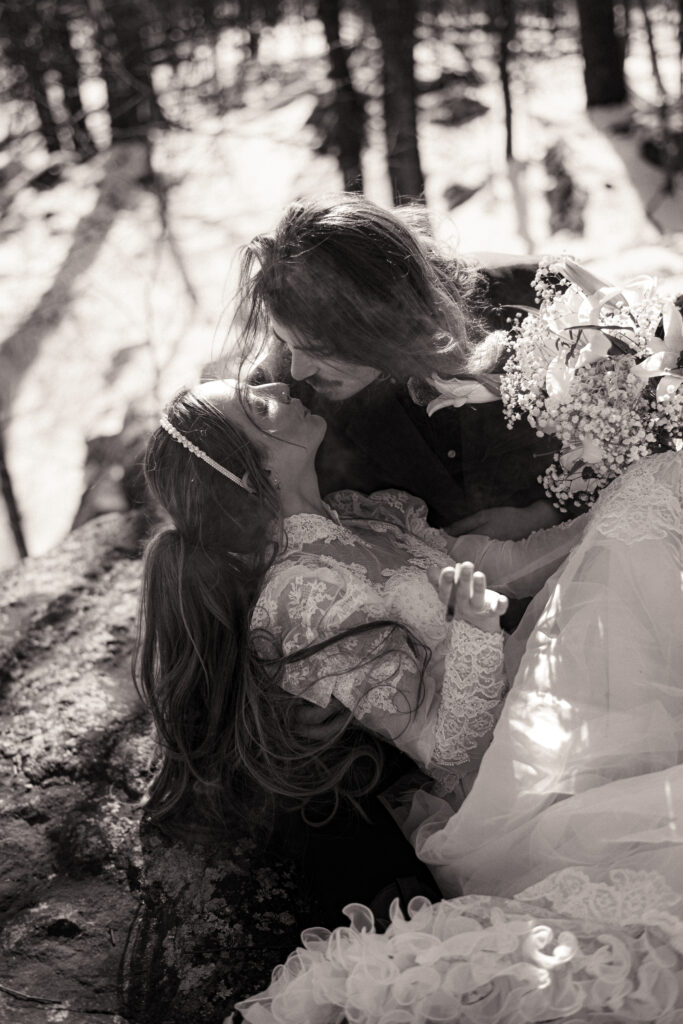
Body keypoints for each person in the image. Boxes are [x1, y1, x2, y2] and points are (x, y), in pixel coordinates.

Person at [135, 376, 593, 931]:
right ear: (258, 471)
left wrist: (610, 512)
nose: (280, 384)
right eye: (260, 405)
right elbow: (446, 749)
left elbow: (500, 565)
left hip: (541, 689)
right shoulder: (300, 598)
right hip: (506, 776)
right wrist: (476, 626)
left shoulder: (357, 513)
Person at [234, 193, 564, 543]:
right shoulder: (291, 416)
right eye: (284, 341)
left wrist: (552, 511)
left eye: (320, 349)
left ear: (383, 318)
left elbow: (621, 435)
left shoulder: (534, 298)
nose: (298, 370)